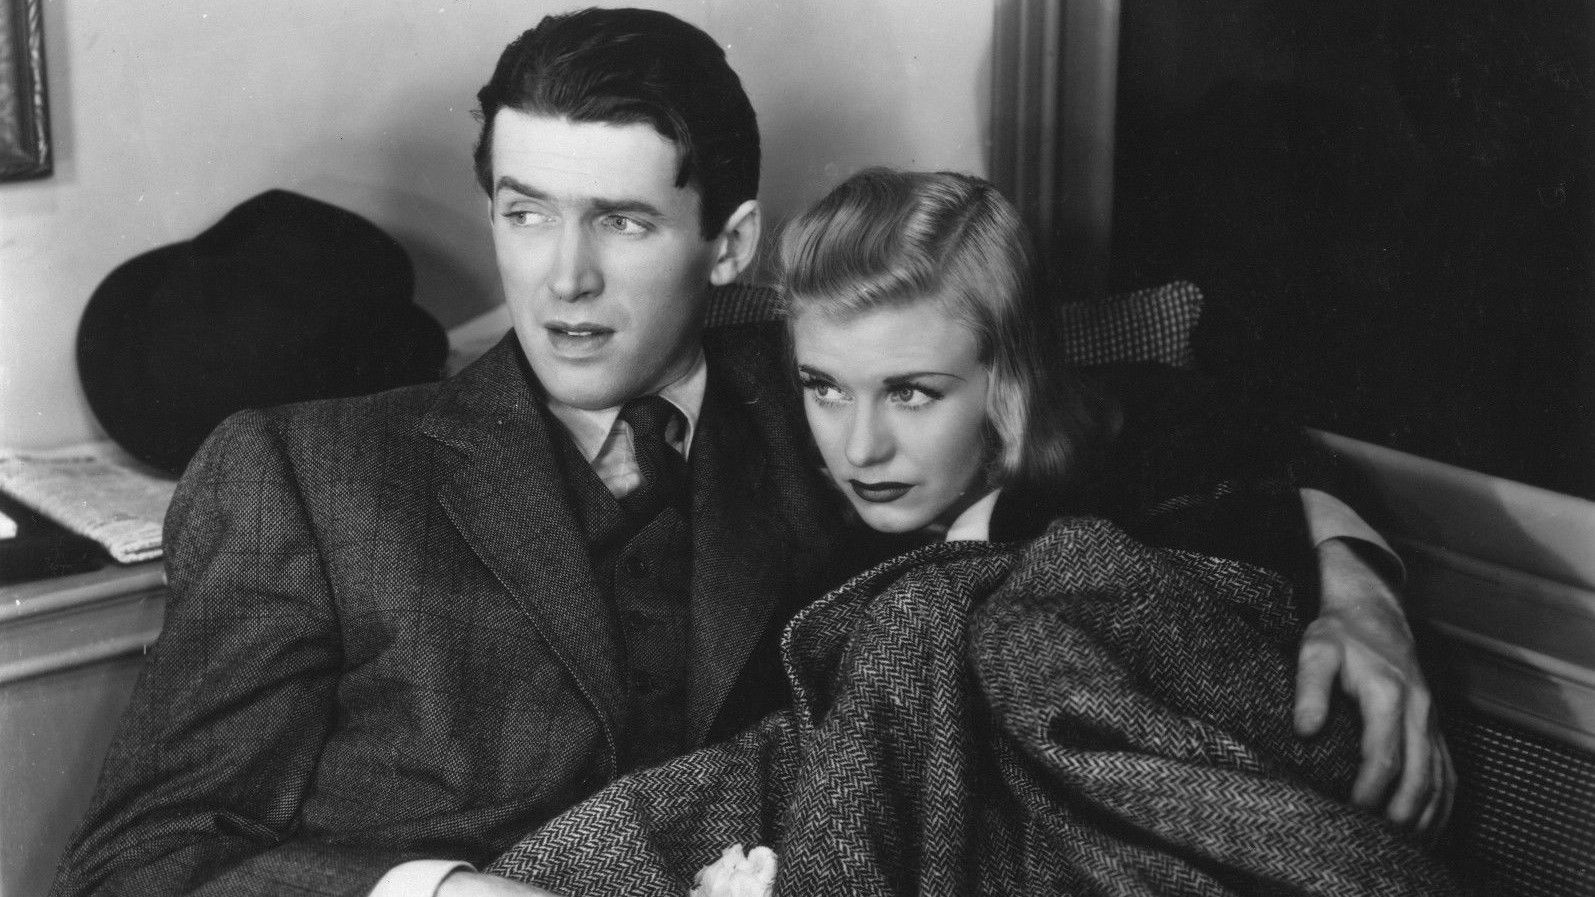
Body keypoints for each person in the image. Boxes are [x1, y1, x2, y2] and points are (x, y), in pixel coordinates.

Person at [49, 10, 1444, 897]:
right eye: (526, 213)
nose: (564, 280)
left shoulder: (837, 400)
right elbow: (137, 862)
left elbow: (1188, 421)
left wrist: (1361, 595)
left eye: (622, 224)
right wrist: (431, 896)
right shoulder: (306, 471)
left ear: (726, 245)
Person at [483, 168, 1460, 896]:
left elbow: (1280, 466)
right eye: (825, 387)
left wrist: (1359, 587)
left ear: (1009, 379)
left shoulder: (1130, 437)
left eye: (911, 392)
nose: (859, 444)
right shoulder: (796, 514)